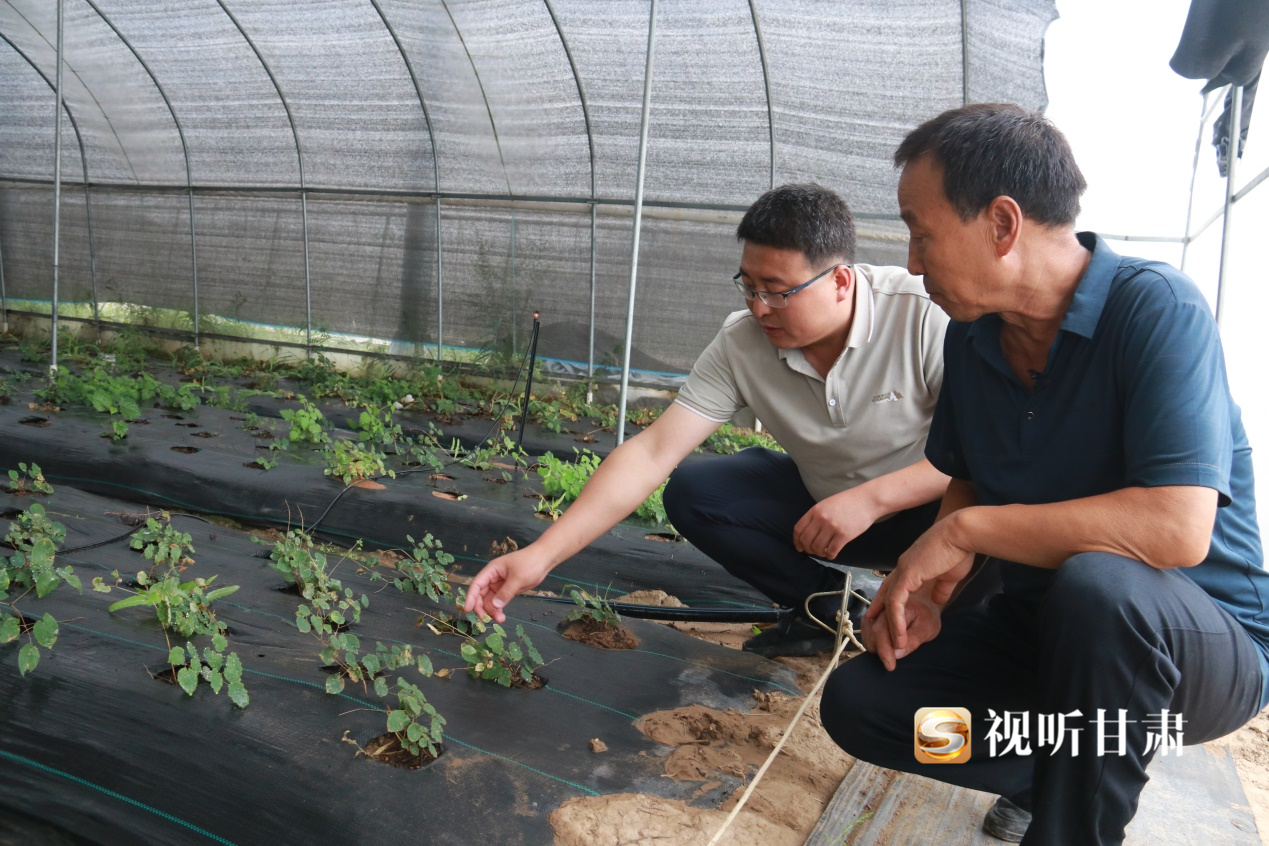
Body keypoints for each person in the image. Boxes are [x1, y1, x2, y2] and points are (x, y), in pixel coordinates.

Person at [821, 103, 1269, 846]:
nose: (910, 260)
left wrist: (963, 531)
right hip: (1049, 646)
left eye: (920, 231)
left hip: (1190, 648)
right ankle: (1057, 769)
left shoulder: (1154, 311)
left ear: (1001, 224)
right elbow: (967, 476)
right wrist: (940, 593)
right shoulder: (971, 341)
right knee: (866, 706)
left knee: (1102, 587)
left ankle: (1071, 829)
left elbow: (1175, 530)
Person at [464, 183, 952, 657]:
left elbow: (985, 458)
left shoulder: (924, 316)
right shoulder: (743, 343)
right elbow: (653, 452)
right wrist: (540, 556)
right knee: (697, 491)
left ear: (840, 281)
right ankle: (827, 607)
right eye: (749, 286)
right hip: (823, 513)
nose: (760, 308)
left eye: (778, 292)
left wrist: (871, 498)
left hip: (933, 516)